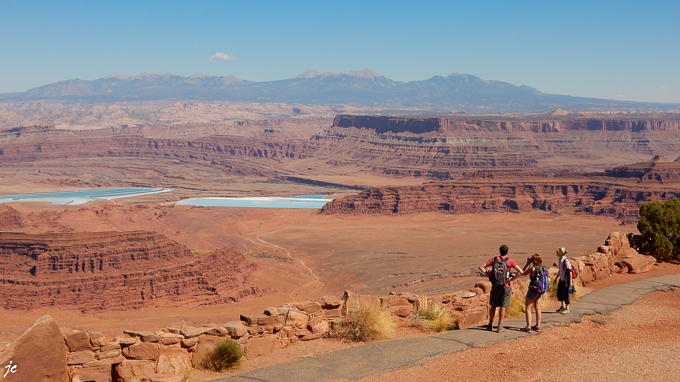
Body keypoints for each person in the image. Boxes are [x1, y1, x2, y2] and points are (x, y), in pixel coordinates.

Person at [479, 244, 524, 333]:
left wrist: (489, 273)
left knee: (493, 306)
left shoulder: (494, 260)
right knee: (503, 307)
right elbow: (521, 271)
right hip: (505, 286)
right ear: (507, 252)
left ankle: (490, 324)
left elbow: (481, 267)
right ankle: (499, 326)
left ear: (499, 251)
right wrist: (512, 279)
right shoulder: (510, 261)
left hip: (495, 286)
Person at [519, 254, 546, 332]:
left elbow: (523, 273)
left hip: (533, 289)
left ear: (534, 261)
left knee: (528, 308)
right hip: (540, 290)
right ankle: (537, 325)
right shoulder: (544, 268)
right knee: (538, 308)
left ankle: (528, 327)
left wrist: (527, 264)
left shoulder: (532, 268)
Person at [555, 247, 573, 314]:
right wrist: (556, 278)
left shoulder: (566, 260)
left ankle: (567, 308)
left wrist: (570, 281)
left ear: (560, 252)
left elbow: (569, 271)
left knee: (566, 294)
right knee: (559, 293)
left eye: (557, 252)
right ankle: (563, 306)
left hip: (566, 280)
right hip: (561, 279)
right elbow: (560, 270)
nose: (556, 253)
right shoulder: (560, 259)